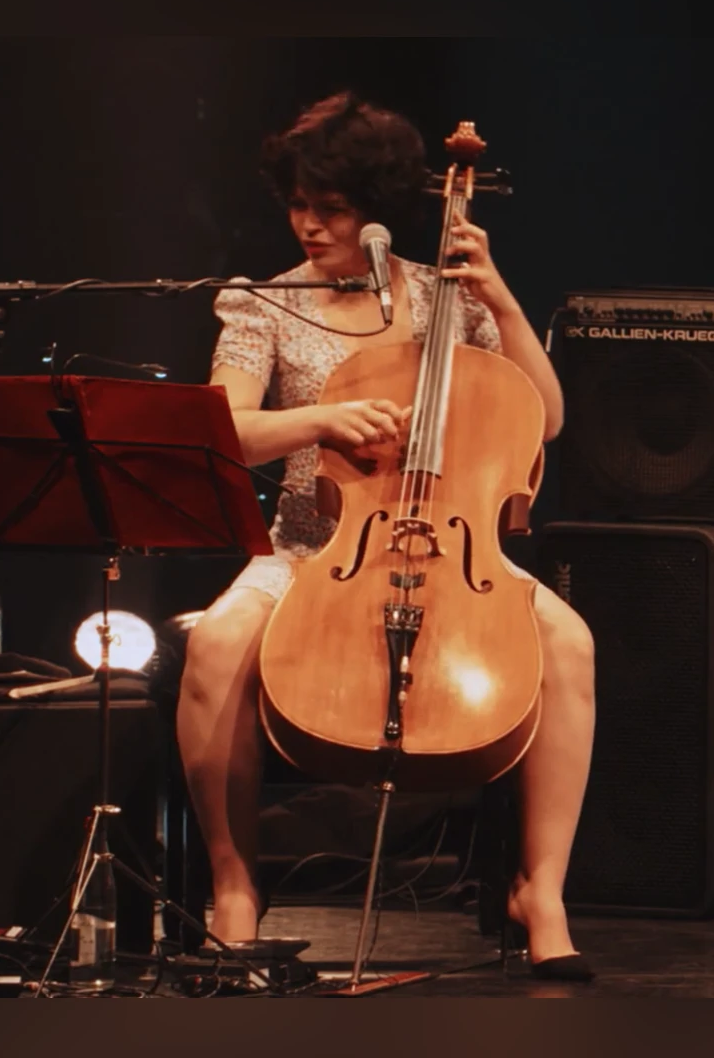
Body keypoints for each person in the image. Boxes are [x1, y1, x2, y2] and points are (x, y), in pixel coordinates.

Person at [177, 92, 596, 981]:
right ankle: (235, 886)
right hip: (311, 551)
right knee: (217, 642)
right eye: (297, 204)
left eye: (330, 208)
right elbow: (224, 430)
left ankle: (541, 889)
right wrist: (321, 419)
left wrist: (498, 298)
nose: (309, 225)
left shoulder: (444, 297)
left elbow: (548, 418)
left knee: (569, 642)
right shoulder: (262, 303)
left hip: (453, 545)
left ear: (375, 210)